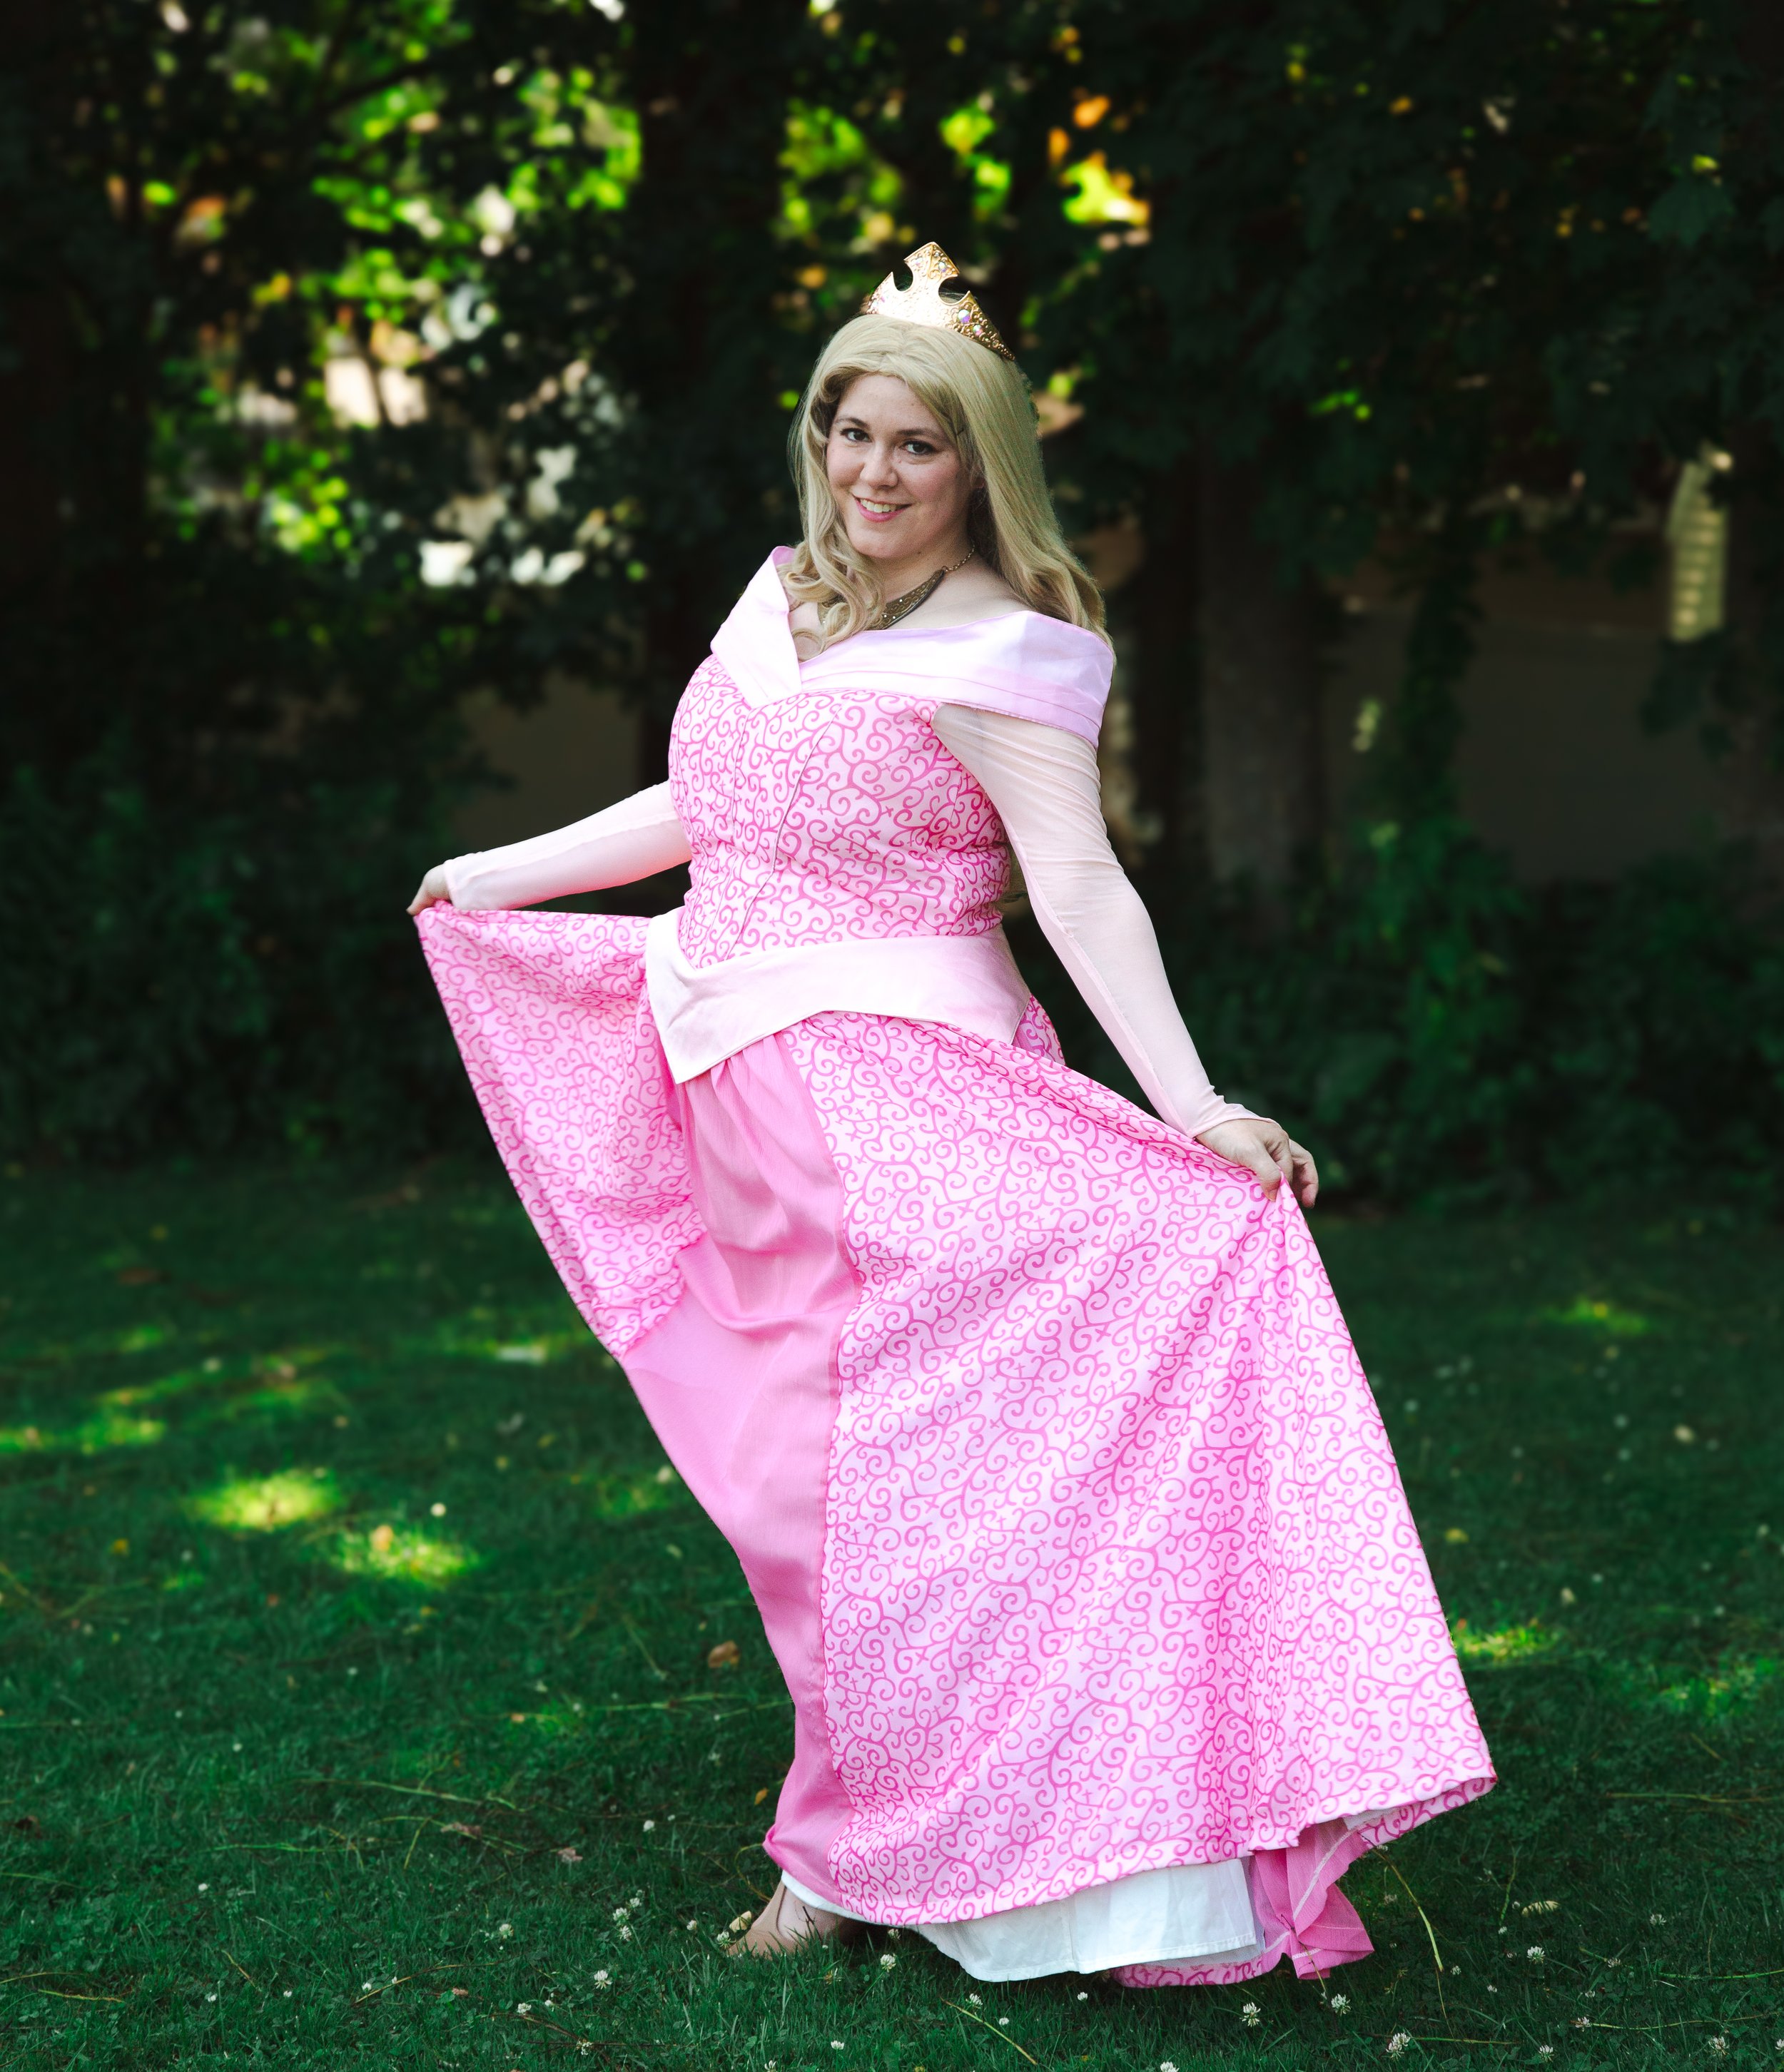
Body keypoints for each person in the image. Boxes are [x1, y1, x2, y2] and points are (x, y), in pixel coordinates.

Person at [409, 243, 1492, 1988]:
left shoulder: (1017, 651)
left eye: (916, 447)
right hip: (748, 1107)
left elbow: (1077, 886)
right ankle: (900, 1829)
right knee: (807, 1514)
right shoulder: (783, 595)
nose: (872, 476)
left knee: (899, 1514)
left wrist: (1194, 1106)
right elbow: (705, 809)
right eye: (849, 434)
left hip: (904, 1116)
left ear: (978, 461)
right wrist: (497, 879)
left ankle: (886, 1858)